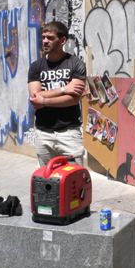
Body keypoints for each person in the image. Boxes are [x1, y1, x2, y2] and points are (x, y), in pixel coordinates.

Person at [28, 21, 86, 166]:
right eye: (43, 37)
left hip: (69, 134)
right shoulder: (36, 66)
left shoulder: (75, 64)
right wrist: (63, 89)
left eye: (50, 38)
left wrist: (44, 100)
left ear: (62, 40)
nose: (45, 41)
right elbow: (35, 96)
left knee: (73, 180)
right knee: (47, 183)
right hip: (43, 133)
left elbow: (73, 99)